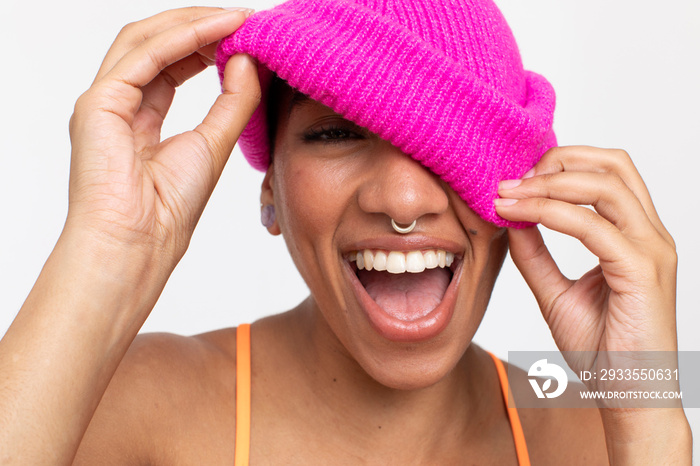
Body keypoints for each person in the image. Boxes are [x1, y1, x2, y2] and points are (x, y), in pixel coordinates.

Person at [0, 1, 692, 464]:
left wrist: (651, 416)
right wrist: (105, 255)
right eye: (334, 134)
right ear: (270, 190)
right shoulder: (137, 400)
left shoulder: (588, 423)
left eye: (449, 143)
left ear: (520, 185)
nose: (402, 200)